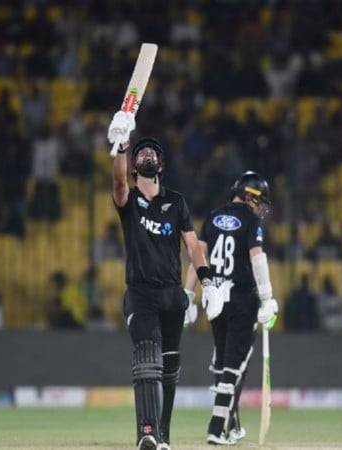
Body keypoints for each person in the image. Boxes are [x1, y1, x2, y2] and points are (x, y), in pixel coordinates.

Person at [107, 110, 222, 450]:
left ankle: (163, 437)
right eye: (140, 152)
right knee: (147, 359)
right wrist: (121, 144)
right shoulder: (128, 200)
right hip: (140, 294)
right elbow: (116, 182)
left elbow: (192, 244)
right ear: (133, 164)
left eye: (151, 152)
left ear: (160, 164)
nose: (146, 154)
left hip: (173, 296)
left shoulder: (176, 202)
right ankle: (146, 432)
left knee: (169, 367)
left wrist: (208, 282)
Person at [184, 171, 279, 445]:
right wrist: (267, 297)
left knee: (226, 362)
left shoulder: (213, 217)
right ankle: (217, 427)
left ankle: (233, 424)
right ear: (250, 196)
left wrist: (188, 294)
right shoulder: (250, 220)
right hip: (241, 299)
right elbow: (257, 260)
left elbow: (197, 257)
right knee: (233, 367)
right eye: (259, 201)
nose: (260, 208)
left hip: (215, 299)